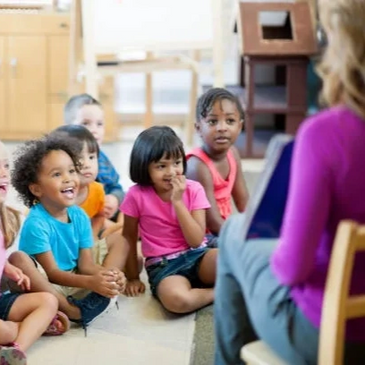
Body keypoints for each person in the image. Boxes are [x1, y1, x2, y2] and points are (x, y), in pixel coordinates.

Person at [214, 0, 365, 364]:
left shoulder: (327, 134)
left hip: (331, 335)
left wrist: (283, 241)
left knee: (235, 231)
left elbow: (292, 268)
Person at [10, 136, 128, 334]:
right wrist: (90, 282)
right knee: (18, 259)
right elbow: (53, 274)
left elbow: (86, 265)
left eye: (72, 171)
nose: (68, 178)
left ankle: (106, 289)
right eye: (57, 174)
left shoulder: (79, 215)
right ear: (36, 189)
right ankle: (71, 311)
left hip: (74, 276)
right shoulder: (36, 223)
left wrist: (107, 276)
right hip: (48, 285)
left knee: (121, 239)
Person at [121, 126, 217, 314]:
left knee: (231, 261)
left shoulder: (194, 189)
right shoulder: (135, 195)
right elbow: (128, 238)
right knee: (177, 301)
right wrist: (133, 277)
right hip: (163, 266)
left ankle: (212, 286)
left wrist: (178, 202)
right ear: (144, 166)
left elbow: (196, 240)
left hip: (197, 255)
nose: (172, 172)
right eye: (161, 166)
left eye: (177, 163)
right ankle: (218, 292)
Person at [0, 140, 68, 364]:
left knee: (48, 301)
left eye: (6, 166)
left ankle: (15, 351)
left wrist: (7, 268)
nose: (3, 174)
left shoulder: (5, 216)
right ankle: (29, 329)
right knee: (6, 332)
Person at [186, 88, 249, 247]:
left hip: (221, 229)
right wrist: (242, 238)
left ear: (240, 126)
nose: (222, 128)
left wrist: (258, 228)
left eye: (230, 121)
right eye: (213, 122)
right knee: (241, 250)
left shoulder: (232, 154)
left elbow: (244, 202)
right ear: (199, 128)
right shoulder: (198, 166)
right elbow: (212, 222)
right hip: (201, 237)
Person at [50, 125, 122, 239]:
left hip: (83, 240)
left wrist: (92, 236)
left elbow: (99, 216)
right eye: (79, 158)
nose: (87, 164)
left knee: (121, 243)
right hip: (55, 243)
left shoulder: (97, 190)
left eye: (92, 157)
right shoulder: (53, 194)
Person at [64, 94, 124, 224]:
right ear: (68, 129)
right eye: (85, 123)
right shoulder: (63, 161)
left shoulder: (103, 159)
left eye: (99, 124)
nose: (94, 130)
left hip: (102, 215)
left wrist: (114, 199)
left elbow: (116, 187)